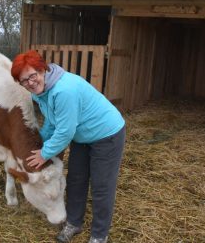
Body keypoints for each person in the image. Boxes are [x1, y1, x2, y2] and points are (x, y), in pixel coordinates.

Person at [11, 50, 126, 243]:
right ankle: (74, 222)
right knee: (76, 179)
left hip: (107, 134)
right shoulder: (41, 92)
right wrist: (40, 143)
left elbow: (65, 132)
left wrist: (45, 153)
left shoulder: (64, 90)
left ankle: (99, 235)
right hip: (82, 136)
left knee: (101, 186)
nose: (30, 82)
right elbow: (51, 122)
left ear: (42, 69)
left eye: (33, 75)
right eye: (24, 80)